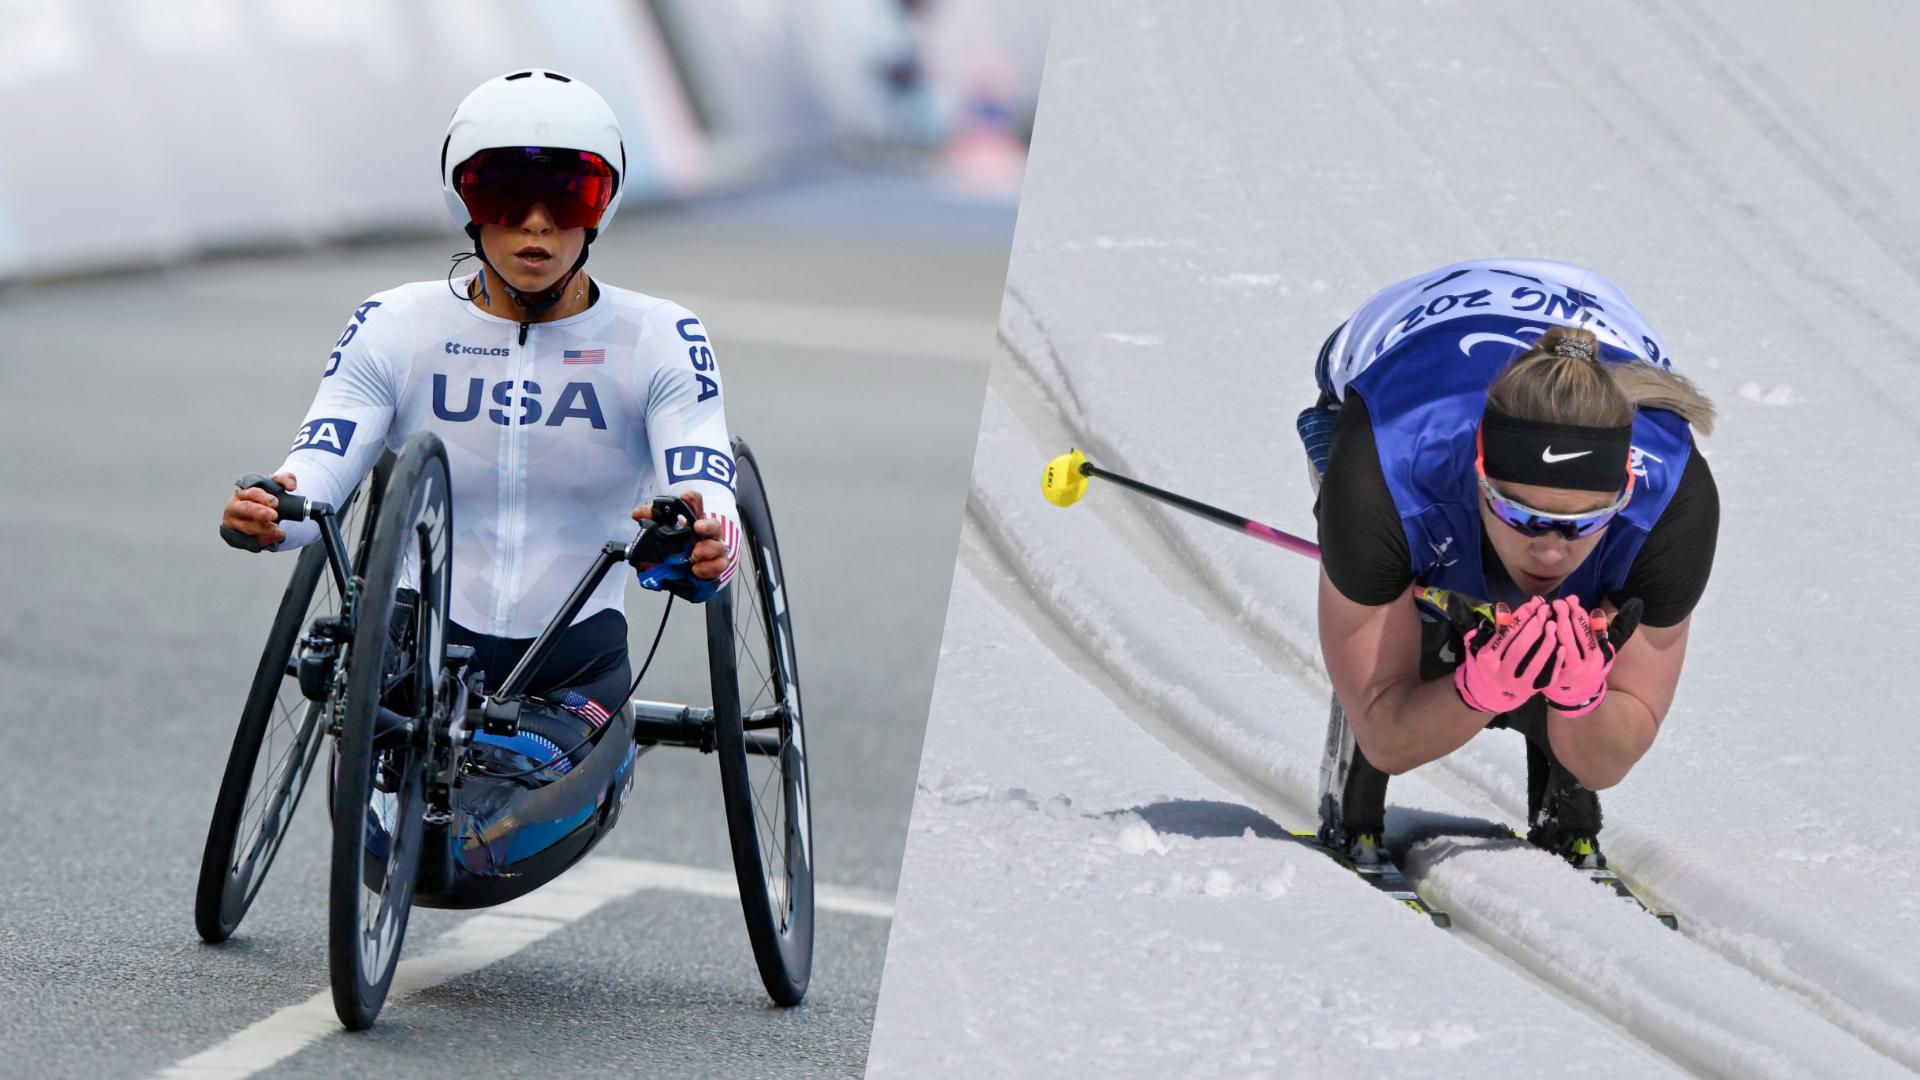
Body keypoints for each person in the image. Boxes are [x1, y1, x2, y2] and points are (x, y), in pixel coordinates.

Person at [218, 68, 741, 762]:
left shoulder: (661, 335)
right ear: (463, 201)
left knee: (484, 821)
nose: (536, 221)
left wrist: (707, 537)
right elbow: (318, 467)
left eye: (570, 193)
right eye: (502, 192)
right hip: (413, 647)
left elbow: (705, 476)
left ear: (603, 205)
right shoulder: (395, 323)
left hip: (572, 665)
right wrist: (273, 512)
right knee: (418, 807)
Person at [1298, 259, 1719, 869]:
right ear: (1477, 473)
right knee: (1409, 578)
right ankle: (1355, 803)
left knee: (1579, 608)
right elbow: (1386, 735)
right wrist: (1478, 688)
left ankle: (1566, 810)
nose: (1550, 550)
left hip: (1583, 308)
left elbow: (1611, 756)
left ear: (1626, 490)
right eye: (1520, 514)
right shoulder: (1386, 470)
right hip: (1396, 349)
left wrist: (1582, 698)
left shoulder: (1673, 506)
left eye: (1581, 523)